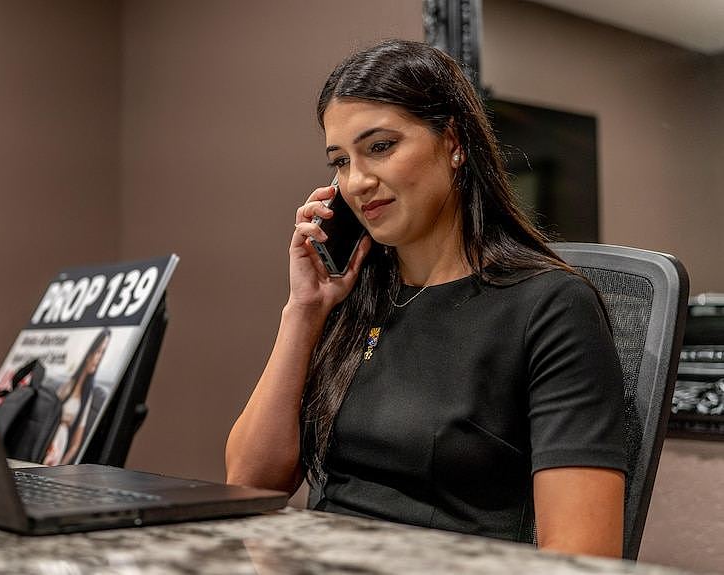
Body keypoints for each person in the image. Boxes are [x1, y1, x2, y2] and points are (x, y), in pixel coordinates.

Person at [225, 39, 626, 557]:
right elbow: (249, 484)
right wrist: (304, 310)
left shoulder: (551, 305)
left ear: (453, 141)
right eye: (340, 161)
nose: (358, 182)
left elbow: (581, 556)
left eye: (381, 147)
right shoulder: (358, 300)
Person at [43, 328, 111, 466]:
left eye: (103, 354)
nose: (98, 359)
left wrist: (59, 468)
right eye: (98, 351)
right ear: (89, 353)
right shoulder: (67, 385)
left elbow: (75, 445)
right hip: (46, 437)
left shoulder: (87, 397)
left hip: (58, 446)